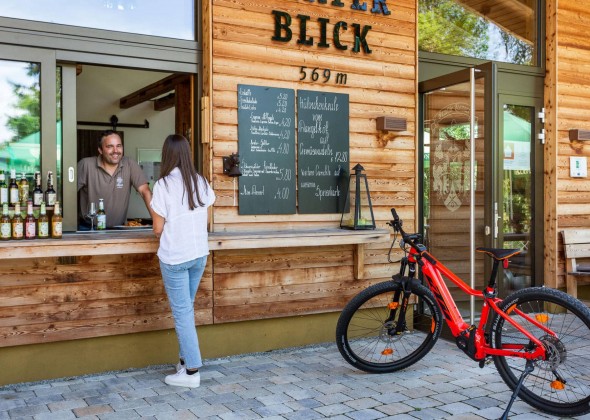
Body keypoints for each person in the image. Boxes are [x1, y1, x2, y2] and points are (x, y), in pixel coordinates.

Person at [150, 134, 215, 388]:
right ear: (188, 154)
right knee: (186, 310)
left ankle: (191, 372)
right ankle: (184, 361)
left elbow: (157, 229)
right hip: (199, 254)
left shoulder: (163, 185)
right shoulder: (200, 181)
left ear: (166, 155)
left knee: (182, 313)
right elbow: (204, 217)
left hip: (175, 257)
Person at [77, 130, 153, 228]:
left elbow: (145, 191)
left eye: (119, 146)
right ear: (100, 150)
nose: (116, 150)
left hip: (118, 229)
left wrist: (156, 221)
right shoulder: (86, 165)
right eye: (110, 146)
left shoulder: (130, 164)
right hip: (88, 228)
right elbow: (67, 194)